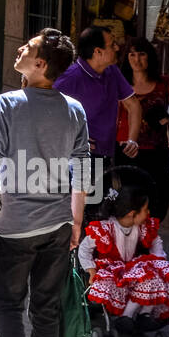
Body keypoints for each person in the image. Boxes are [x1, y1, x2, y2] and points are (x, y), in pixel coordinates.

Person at [0, 29, 91, 337]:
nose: (20, 50)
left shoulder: (8, 103)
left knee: (8, 307)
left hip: (13, 224)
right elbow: (83, 170)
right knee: (45, 309)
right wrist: (77, 222)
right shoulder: (74, 110)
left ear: (40, 65)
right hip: (58, 223)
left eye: (27, 49)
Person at [54, 26, 141, 212]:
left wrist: (133, 139)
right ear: (98, 52)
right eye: (112, 45)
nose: (117, 48)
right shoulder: (71, 77)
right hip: (78, 160)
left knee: (99, 216)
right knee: (80, 216)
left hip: (106, 157)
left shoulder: (112, 72)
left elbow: (133, 105)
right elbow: (44, 111)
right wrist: (73, 138)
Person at [78, 181, 169, 330]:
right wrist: (90, 269)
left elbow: (156, 242)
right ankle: (126, 317)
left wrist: (157, 260)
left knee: (156, 273)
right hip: (112, 271)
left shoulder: (143, 227)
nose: (148, 213)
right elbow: (84, 249)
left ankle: (145, 315)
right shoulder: (106, 228)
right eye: (145, 209)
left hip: (134, 271)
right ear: (131, 214)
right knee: (148, 273)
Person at [115, 37, 169, 220]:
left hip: (157, 151)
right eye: (132, 54)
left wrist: (164, 119)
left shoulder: (165, 84)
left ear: (150, 57)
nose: (136, 59)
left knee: (158, 202)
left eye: (141, 54)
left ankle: (151, 239)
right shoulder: (120, 85)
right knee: (131, 200)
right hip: (127, 150)